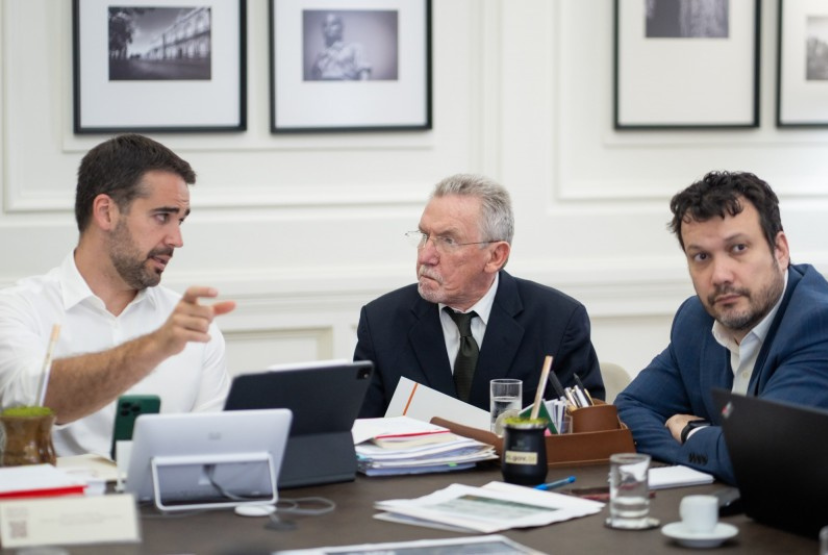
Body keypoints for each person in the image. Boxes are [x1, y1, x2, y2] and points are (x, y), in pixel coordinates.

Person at [0, 134, 236, 457]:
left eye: (180, 220)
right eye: (162, 216)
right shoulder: (18, 309)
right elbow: (33, 401)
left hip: (166, 506)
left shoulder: (194, 329)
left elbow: (212, 454)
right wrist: (155, 346)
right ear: (106, 212)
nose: (177, 239)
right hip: (58, 506)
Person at [615, 171, 828, 485]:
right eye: (701, 256)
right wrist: (716, 455)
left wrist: (690, 432)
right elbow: (630, 407)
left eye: (738, 248)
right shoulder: (694, 319)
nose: (719, 276)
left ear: (780, 250)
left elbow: (760, 457)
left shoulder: (817, 326)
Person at [354, 173, 604, 418]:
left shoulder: (558, 322)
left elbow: (584, 433)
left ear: (496, 256)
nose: (425, 256)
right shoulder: (380, 323)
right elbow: (361, 437)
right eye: (424, 236)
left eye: (448, 240)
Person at [310, 13, 371, 80]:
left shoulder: (354, 48)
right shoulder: (320, 56)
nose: (328, 28)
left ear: (341, 27)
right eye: (325, 25)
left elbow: (364, 74)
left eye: (333, 24)